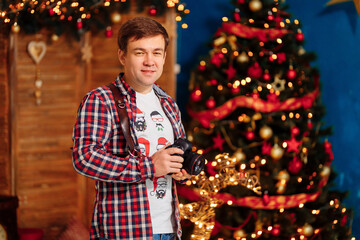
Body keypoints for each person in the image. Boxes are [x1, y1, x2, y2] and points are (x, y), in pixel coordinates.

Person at [72, 16, 190, 240]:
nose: (149, 61)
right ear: (122, 56)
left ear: (164, 57)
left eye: (156, 52)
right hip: (124, 231)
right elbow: (84, 158)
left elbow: (172, 158)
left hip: (169, 229)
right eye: (139, 52)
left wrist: (180, 170)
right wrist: (148, 167)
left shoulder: (168, 103)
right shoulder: (101, 100)